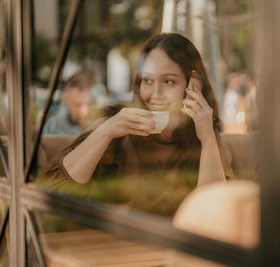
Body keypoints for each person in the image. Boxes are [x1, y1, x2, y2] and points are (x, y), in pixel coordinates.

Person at [42, 33, 234, 216]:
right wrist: (108, 130)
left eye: (168, 81)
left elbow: (215, 214)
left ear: (193, 84)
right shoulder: (115, 121)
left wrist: (208, 138)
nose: (155, 94)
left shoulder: (202, 134)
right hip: (115, 245)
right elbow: (52, 192)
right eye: (148, 80)